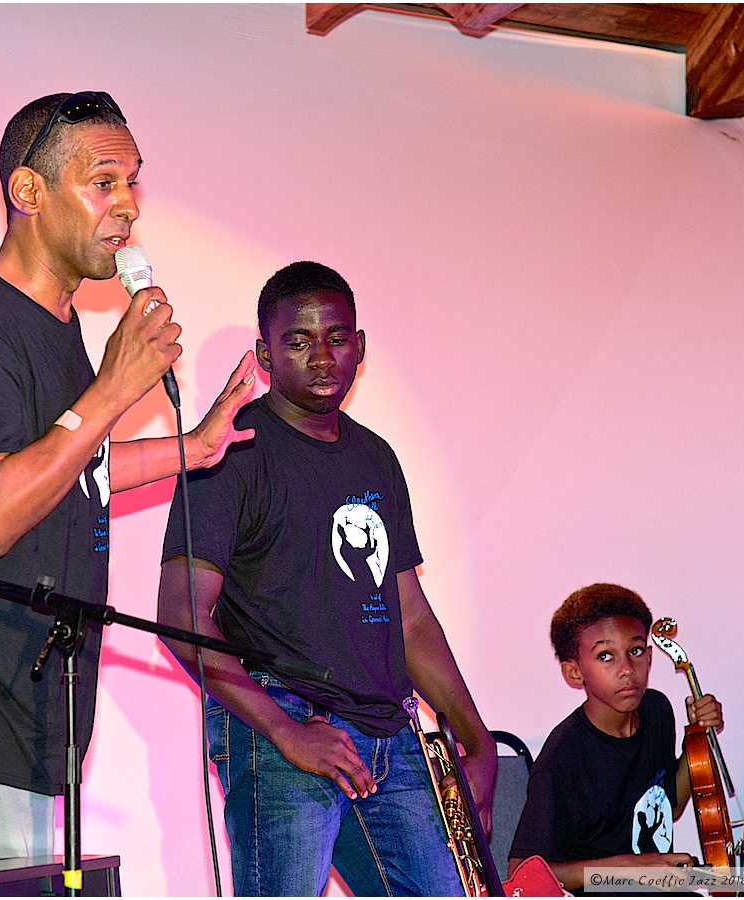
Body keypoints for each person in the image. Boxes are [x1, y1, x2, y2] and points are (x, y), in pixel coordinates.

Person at [0, 91, 256, 869]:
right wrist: (111, 390)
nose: (128, 206)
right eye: (103, 181)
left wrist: (193, 447)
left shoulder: (55, 324)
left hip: (24, 717)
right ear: (29, 191)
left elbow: (68, 470)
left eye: (133, 182)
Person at [157, 261, 497, 896]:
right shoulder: (227, 452)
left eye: (336, 338)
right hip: (282, 725)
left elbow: (409, 615)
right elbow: (180, 616)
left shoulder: (375, 456)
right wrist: (285, 731)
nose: (321, 357)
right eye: (298, 341)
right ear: (265, 354)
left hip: (389, 731)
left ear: (359, 347)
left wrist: (476, 737)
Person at [507, 583, 724, 893]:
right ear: (574, 673)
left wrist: (698, 736)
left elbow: (668, 807)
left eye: (635, 651)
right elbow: (522, 874)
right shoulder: (562, 758)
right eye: (606, 655)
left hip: (659, 890)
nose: (626, 669)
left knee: (742, 884)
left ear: (650, 657)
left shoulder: (657, 710)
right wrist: (631, 870)